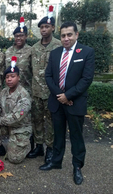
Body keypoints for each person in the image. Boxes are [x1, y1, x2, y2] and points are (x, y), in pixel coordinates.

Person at [40, 21, 95, 186]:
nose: (66, 38)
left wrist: (68, 95)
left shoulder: (86, 52)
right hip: (58, 102)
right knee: (58, 134)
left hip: (75, 103)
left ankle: (77, 167)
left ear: (76, 35)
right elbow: (48, 76)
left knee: (76, 136)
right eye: (63, 35)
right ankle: (56, 161)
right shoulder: (56, 53)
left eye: (69, 34)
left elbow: (86, 79)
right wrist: (60, 95)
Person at [27, 6, 61, 164]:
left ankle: (50, 149)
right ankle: (39, 146)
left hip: (52, 93)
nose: (44, 29)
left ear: (53, 27)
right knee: (37, 120)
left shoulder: (59, 46)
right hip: (36, 92)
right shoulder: (34, 48)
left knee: (51, 122)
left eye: (47, 26)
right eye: (41, 27)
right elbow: (29, 70)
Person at [0, 63, 32, 164]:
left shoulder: (23, 95)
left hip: (20, 128)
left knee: (14, 159)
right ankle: (0, 148)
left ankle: (27, 144)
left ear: (18, 78)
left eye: (12, 76)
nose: (9, 79)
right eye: (7, 77)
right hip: (6, 125)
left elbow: (16, 118)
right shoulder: (4, 92)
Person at [5, 17, 32, 94]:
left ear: (26, 36)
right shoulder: (8, 52)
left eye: (21, 35)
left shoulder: (31, 51)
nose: (19, 38)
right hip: (10, 91)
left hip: (25, 91)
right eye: (16, 36)